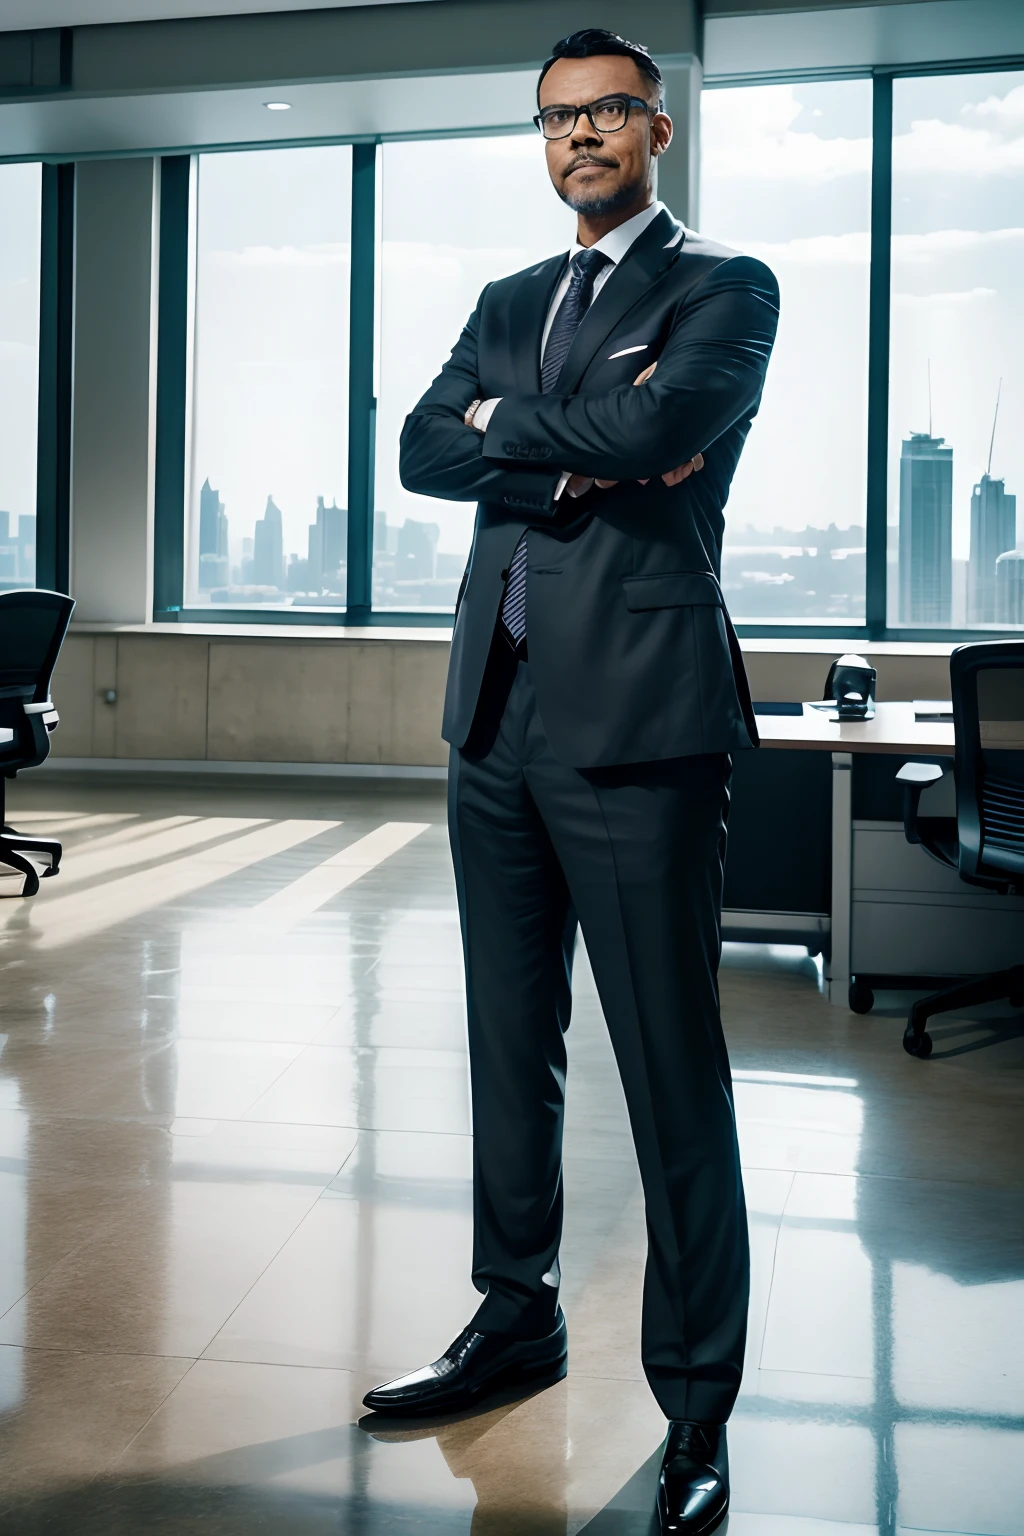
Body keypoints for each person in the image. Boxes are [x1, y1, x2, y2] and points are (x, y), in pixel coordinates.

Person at [363, 27, 779, 1535]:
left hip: (643, 722)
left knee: (672, 1071)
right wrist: (556, 453)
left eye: (605, 112)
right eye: (555, 119)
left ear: (654, 130)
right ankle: (511, 1317)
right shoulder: (510, 298)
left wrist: (507, 432)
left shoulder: (725, 286)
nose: (578, 136)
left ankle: (698, 1410)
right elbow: (419, 449)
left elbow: (666, 428)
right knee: (505, 1045)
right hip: (497, 716)